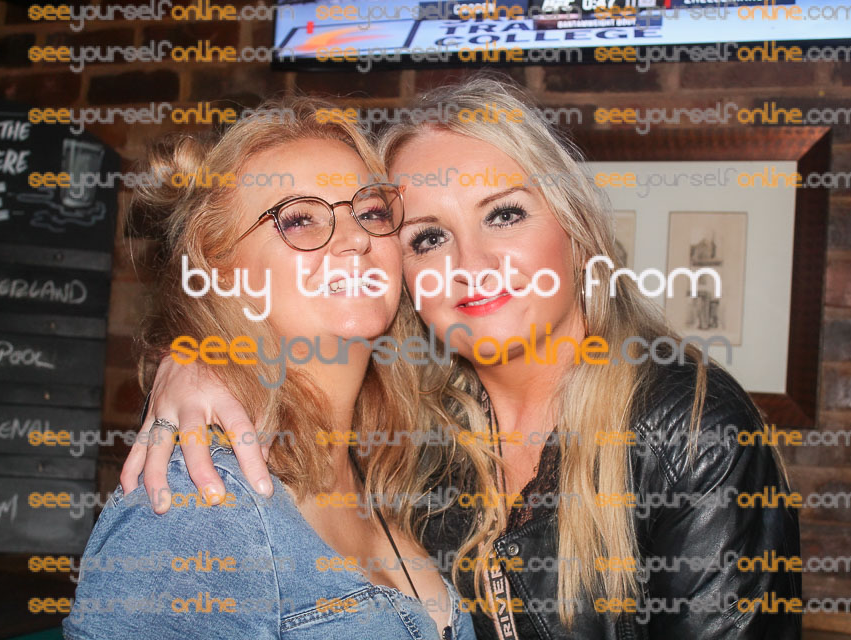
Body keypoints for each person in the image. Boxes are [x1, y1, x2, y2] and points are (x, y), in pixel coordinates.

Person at [121, 76, 802, 639]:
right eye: (427, 238)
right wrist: (196, 355)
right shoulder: (409, 436)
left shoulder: (688, 432)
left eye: (503, 214)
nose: (470, 264)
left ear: (576, 227)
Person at [63, 95, 476, 640]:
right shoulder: (200, 503)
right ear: (218, 268)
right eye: (299, 219)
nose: (356, 238)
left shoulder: (396, 461)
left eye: (371, 212)